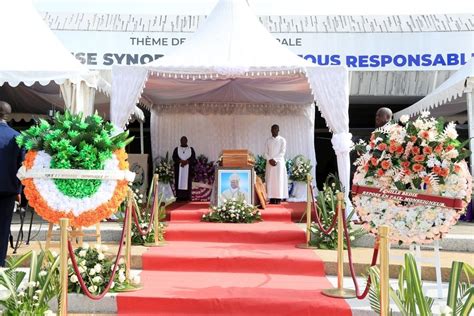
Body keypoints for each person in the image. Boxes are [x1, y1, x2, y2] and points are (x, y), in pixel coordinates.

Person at [0, 101, 24, 267]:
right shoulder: (16, 137)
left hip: (8, 188)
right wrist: (19, 191)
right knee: (2, 228)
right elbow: (21, 167)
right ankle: (0, 263)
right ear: (7, 116)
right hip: (8, 189)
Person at [264, 124, 288, 204]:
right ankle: (271, 197)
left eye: (275, 129)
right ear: (271, 130)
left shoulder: (282, 140)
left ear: (278, 130)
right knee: (270, 180)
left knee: (279, 180)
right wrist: (269, 159)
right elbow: (265, 153)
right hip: (270, 163)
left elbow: (282, 152)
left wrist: (275, 159)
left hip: (279, 163)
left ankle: (278, 198)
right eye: (272, 129)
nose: (274, 131)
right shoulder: (268, 140)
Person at [172, 136, 196, 202]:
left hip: (188, 170)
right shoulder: (177, 149)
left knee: (188, 182)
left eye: (184, 140)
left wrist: (187, 162)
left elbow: (193, 158)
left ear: (187, 141)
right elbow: (174, 157)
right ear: (180, 141)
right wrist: (180, 161)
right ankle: (179, 197)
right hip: (179, 170)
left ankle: (187, 197)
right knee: (178, 182)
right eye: (182, 140)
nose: (183, 141)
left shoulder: (191, 149)